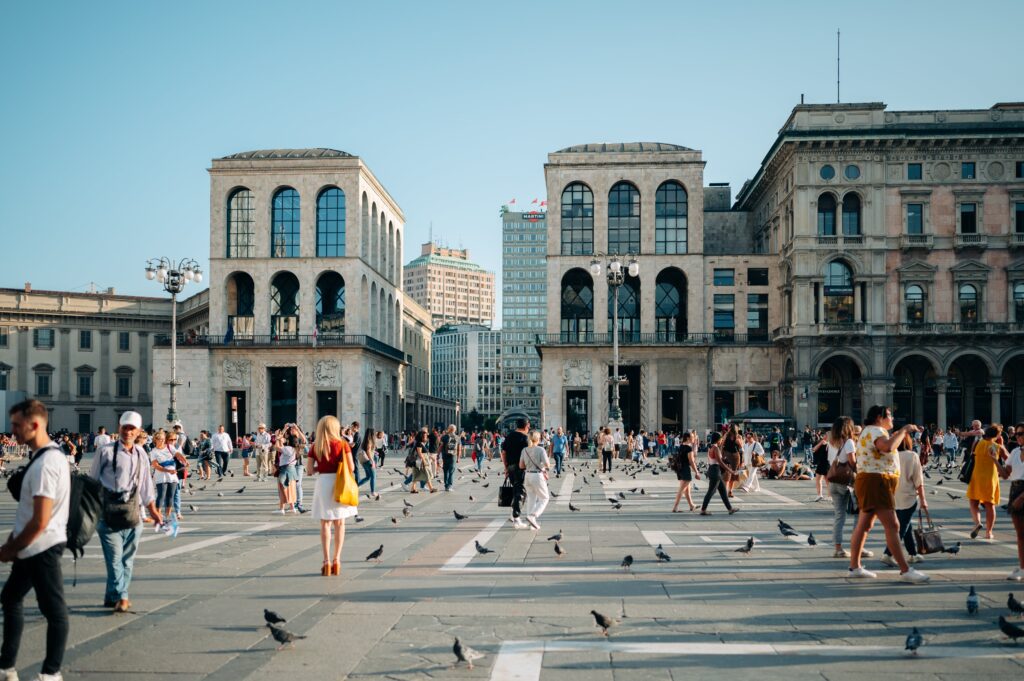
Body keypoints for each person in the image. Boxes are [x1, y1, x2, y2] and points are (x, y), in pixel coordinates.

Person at [0, 400, 70, 681]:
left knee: (55, 611)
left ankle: (51, 673)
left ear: (36, 424)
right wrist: (15, 539)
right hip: (33, 544)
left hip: (42, 546)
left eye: (17, 425)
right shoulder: (47, 456)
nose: (12, 431)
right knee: (10, 598)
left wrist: (10, 548)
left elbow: (41, 519)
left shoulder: (45, 464)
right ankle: (6, 667)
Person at [91, 411, 164, 612]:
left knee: (127, 561)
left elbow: (146, 485)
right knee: (115, 560)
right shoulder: (105, 451)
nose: (128, 431)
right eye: (125, 427)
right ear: (119, 428)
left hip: (134, 514)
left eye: (133, 428)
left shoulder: (141, 453)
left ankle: (111, 596)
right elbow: (93, 482)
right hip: (108, 515)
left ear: (139, 431)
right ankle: (122, 596)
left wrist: (154, 511)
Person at [847, 405, 929, 583]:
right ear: (879, 417)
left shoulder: (869, 431)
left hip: (870, 481)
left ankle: (855, 567)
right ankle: (905, 570)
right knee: (893, 525)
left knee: (864, 526)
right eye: (889, 415)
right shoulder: (877, 431)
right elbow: (887, 447)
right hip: (877, 482)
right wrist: (905, 430)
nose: (892, 418)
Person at [310, 416, 358, 576]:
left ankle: (326, 562)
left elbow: (310, 470)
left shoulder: (316, 445)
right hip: (339, 482)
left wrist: (321, 468)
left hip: (323, 483)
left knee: (325, 523)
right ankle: (337, 560)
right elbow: (351, 467)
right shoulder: (343, 444)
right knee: (340, 523)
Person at [825, 417, 870, 560]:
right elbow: (852, 461)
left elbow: (830, 461)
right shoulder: (849, 442)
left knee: (839, 516)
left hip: (833, 482)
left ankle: (838, 549)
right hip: (847, 484)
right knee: (858, 514)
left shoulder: (831, 442)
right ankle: (858, 546)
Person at [881, 433, 927, 568]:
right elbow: (918, 480)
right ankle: (888, 553)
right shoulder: (911, 455)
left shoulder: (889, 455)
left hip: (892, 496)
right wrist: (923, 500)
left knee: (905, 525)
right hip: (908, 496)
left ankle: (912, 554)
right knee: (901, 527)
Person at [967, 425, 1008, 541]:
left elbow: (972, 456)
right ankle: (989, 532)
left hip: (977, 476)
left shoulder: (978, 444)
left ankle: (977, 522)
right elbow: (1009, 459)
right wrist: (1001, 444)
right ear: (996, 435)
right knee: (990, 505)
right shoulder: (996, 446)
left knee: (973, 502)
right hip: (991, 477)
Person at [997, 425, 1024, 580]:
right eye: (1017, 434)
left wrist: (1022, 498)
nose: (1018, 437)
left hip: (1022, 493)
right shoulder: (1015, 452)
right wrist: (995, 459)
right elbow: (1005, 475)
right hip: (1015, 489)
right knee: (1020, 535)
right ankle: (1022, 568)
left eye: (1021, 434)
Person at [501, 418, 530, 529]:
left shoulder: (509, 436)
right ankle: (516, 517)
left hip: (511, 467)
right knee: (521, 492)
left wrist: (506, 467)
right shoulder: (525, 438)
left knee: (515, 490)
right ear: (527, 426)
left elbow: (503, 453)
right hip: (521, 468)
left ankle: (512, 514)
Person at [519, 430, 551, 530]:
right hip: (537, 476)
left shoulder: (524, 450)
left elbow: (521, 466)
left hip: (527, 476)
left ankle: (531, 524)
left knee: (531, 499)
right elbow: (547, 464)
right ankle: (533, 516)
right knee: (545, 498)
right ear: (538, 439)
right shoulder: (541, 450)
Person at [700, 432, 737, 515]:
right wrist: (730, 470)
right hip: (715, 470)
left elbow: (716, 459)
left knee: (723, 491)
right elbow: (720, 462)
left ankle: (730, 509)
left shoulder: (711, 447)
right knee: (711, 492)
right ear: (718, 439)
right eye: (721, 439)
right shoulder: (715, 448)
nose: (722, 440)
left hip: (712, 469)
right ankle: (703, 510)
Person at [148, 430, 177, 524]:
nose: (162, 441)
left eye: (163, 439)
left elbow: (177, 454)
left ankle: (167, 516)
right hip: (161, 476)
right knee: (161, 495)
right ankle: (158, 516)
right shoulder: (153, 452)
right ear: (155, 440)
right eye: (160, 439)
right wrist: (168, 470)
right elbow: (156, 466)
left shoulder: (169, 447)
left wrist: (184, 460)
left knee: (170, 496)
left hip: (172, 476)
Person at [670, 431, 700, 512]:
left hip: (680, 469)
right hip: (685, 469)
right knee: (682, 489)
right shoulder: (688, 448)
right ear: (688, 438)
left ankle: (691, 505)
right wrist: (696, 472)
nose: (694, 438)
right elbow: (691, 461)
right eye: (693, 436)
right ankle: (675, 507)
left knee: (687, 490)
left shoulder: (681, 446)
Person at [273, 432, 299, 514]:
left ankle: (282, 509)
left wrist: (277, 438)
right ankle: (292, 507)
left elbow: (276, 447)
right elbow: (281, 447)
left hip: (285, 470)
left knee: (282, 489)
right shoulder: (296, 449)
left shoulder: (288, 448)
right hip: (292, 471)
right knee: (291, 489)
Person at [356, 430, 379, 500]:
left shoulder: (365, 441)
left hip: (364, 461)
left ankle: (355, 486)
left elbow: (368, 450)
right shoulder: (369, 441)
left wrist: (374, 452)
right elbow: (368, 451)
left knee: (368, 477)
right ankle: (373, 491)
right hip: (368, 461)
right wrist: (372, 461)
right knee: (373, 476)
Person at [440, 425, 460, 492]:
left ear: (449, 429)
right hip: (453, 457)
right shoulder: (457, 437)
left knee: (445, 471)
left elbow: (441, 446)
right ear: (455, 430)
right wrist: (458, 458)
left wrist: (437, 454)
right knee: (451, 471)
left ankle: (446, 486)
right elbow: (459, 449)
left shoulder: (444, 437)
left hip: (445, 456)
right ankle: (449, 486)